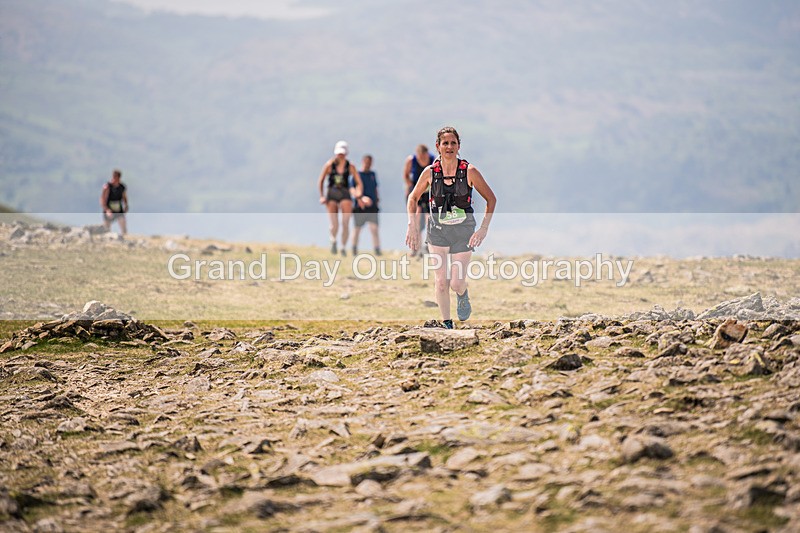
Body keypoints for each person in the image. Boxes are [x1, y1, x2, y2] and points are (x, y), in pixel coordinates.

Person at [405, 127, 496, 329]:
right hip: (437, 231)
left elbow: (491, 199)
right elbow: (413, 197)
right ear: (437, 146)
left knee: (455, 283)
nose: (449, 147)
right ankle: (447, 324)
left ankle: (462, 294)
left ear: (458, 146)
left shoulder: (469, 171)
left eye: (453, 143)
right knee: (441, 281)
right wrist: (412, 225)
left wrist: (483, 229)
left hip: (463, 232)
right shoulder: (430, 173)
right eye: (445, 143)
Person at [318, 140, 362, 256]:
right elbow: (321, 180)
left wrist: (358, 194)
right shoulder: (329, 165)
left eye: (342, 153)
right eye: (339, 153)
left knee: (345, 222)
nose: (340, 156)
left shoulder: (350, 166)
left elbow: (358, 182)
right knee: (334, 223)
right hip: (332, 193)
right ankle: (333, 240)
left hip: (345, 193)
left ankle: (343, 247)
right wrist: (322, 196)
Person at [403, 144, 434, 256]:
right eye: (420, 157)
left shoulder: (433, 160)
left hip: (429, 192)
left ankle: (430, 245)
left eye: (424, 157)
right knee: (416, 218)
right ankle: (416, 247)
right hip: (416, 191)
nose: (422, 159)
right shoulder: (411, 160)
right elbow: (406, 175)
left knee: (429, 219)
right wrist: (411, 187)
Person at [350, 154, 381, 256]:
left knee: (374, 229)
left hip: (372, 206)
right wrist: (361, 198)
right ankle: (354, 249)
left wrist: (376, 199)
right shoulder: (357, 174)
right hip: (360, 206)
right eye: (367, 162)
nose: (368, 164)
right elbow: (352, 189)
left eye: (370, 163)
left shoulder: (372, 174)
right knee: (357, 228)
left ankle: (377, 249)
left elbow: (375, 188)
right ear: (363, 161)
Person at [100, 169, 129, 235]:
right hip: (109, 209)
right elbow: (103, 198)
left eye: (116, 177)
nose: (115, 178)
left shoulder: (122, 187)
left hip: (118, 209)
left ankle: (125, 238)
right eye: (114, 176)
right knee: (106, 228)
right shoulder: (107, 186)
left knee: (123, 224)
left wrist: (126, 205)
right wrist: (106, 209)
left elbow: (124, 197)